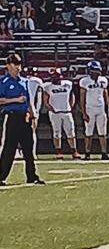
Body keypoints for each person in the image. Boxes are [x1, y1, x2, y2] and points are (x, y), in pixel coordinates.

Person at [0, 54, 42, 186]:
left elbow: (28, 99)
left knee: (28, 148)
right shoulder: (3, 82)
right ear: (8, 66)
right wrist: (15, 100)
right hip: (11, 116)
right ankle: (1, 176)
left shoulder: (24, 81)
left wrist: (32, 112)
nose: (17, 67)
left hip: (24, 117)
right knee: (9, 148)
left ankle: (32, 176)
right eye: (14, 64)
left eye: (19, 64)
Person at [42, 68, 80, 160]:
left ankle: (74, 150)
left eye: (57, 76)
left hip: (66, 111)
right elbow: (45, 100)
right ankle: (58, 151)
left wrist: (71, 107)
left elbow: (72, 96)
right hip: (55, 113)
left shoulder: (67, 84)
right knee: (56, 132)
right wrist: (51, 109)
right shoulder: (48, 87)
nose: (56, 78)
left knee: (71, 132)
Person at [78, 60, 109, 160]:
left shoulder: (103, 80)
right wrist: (83, 112)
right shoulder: (84, 81)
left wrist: (107, 109)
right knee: (88, 132)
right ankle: (87, 153)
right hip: (89, 108)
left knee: (102, 132)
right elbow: (82, 97)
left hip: (100, 108)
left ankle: (104, 152)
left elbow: (105, 95)